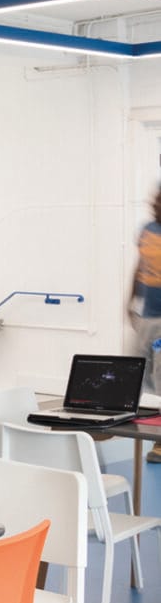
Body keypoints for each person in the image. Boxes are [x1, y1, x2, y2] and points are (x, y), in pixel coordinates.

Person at [128, 184, 161, 462]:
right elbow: (139, 267)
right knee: (140, 372)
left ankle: (160, 443)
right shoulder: (147, 229)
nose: (154, 204)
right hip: (147, 314)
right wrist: (129, 300)